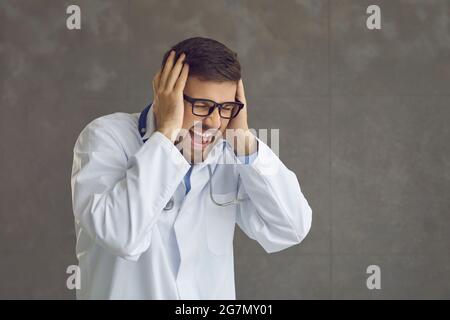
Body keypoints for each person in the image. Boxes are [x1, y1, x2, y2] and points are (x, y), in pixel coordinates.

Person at [70, 37, 312, 299]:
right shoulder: (105, 138)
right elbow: (122, 235)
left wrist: (243, 139)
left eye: (226, 108)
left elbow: (291, 227)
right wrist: (167, 136)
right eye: (202, 106)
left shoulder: (229, 153)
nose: (214, 121)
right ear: (166, 95)